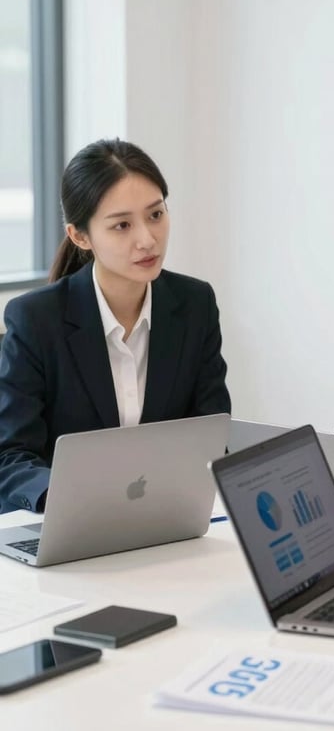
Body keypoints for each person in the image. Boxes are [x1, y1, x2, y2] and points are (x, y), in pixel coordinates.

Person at [0, 139, 231, 514]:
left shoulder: (194, 305)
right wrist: (67, 503)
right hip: (67, 523)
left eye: (156, 215)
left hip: (165, 519)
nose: (147, 239)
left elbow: (211, 433)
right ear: (80, 236)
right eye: (122, 225)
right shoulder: (35, 320)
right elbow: (11, 456)